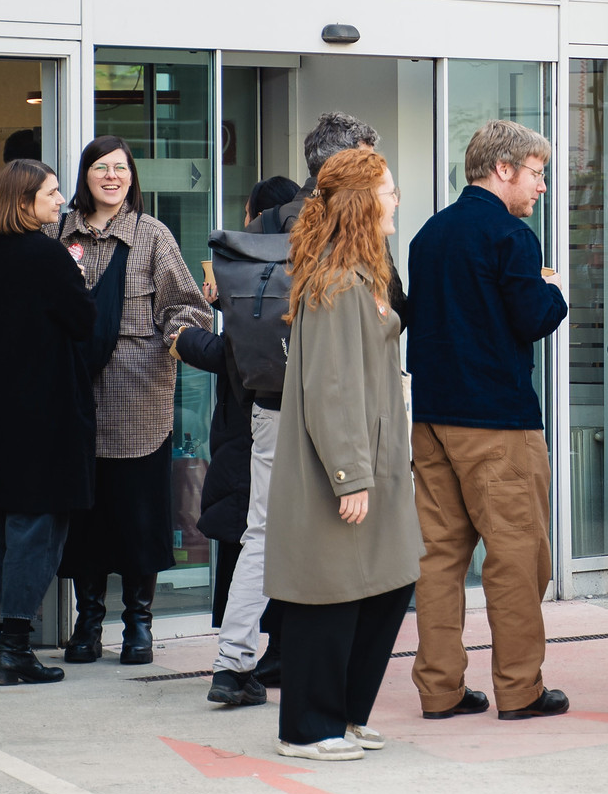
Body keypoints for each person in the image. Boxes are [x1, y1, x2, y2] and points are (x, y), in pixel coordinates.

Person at [406, 119, 569, 721]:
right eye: (537, 173)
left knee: (440, 558)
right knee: (517, 555)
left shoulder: (428, 236)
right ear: (503, 169)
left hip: (431, 419)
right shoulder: (512, 237)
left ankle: (440, 690)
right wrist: (554, 289)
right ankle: (521, 689)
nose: (542, 187)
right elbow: (531, 317)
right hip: (498, 422)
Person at [265, 147, 423, 758]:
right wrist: (349, 475)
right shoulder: (336, 281)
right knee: (326, 593)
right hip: (345, 465)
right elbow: (330, 389)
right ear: (360, 202)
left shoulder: (361, 274)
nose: (396, 200)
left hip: (375, 459)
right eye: (387, 190)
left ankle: (348, 712)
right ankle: (308, 727)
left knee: (386, 584)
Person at [57, 136, 212, 668]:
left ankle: (138, 625)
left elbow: (187, 307)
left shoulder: (152, 236)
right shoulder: (60, 234)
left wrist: (181, 337)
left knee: (139, 521)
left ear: (132, 177)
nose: (111, 176)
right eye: (101, 167)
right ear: (86, 175)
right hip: (77, 402)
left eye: (120, 168)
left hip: (141, 402)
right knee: (85, 521)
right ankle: (88, 622)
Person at [0, 159, 96, 687]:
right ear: (24, 201)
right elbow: (83, 322)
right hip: (42, 410)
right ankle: (14, 647)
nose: (61, 200)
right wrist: (79, 281)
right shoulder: (46, 254)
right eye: (52, 193)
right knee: (36, 527)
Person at [179, 174, 301, 706]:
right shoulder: (319, 255)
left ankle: (236, 661)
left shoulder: (256, 269)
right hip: (296, 416)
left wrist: (182, 335)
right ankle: (277, 656)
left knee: (258, 535)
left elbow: (230, 354)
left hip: (258, 421)